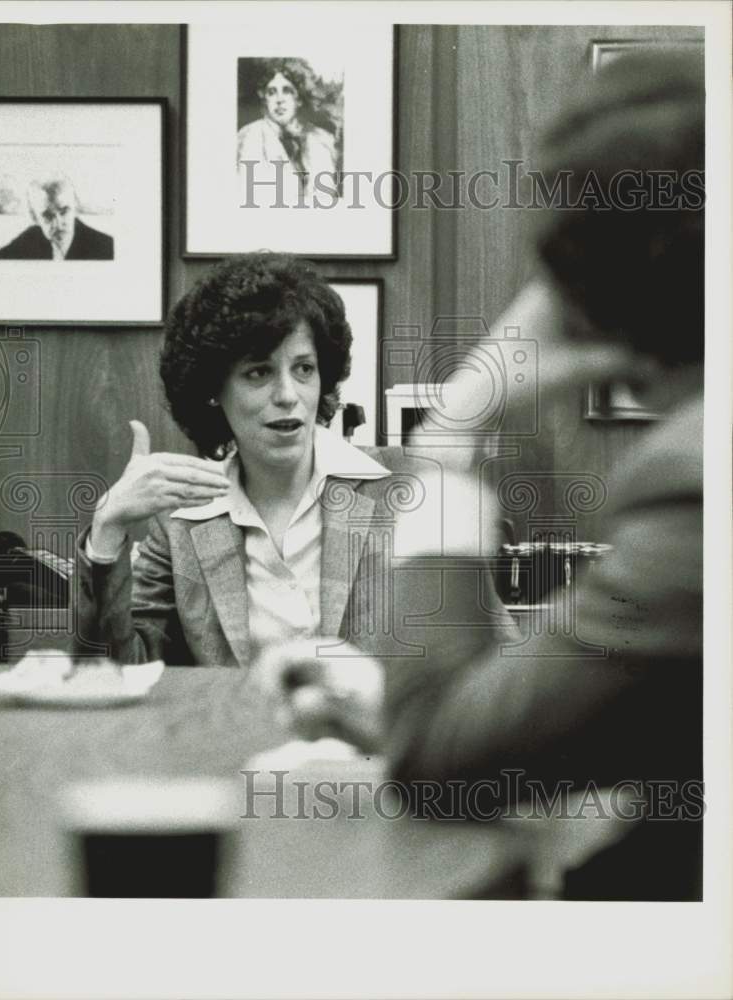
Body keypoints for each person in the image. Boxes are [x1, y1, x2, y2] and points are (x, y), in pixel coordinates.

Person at [256, 51, 705, 900]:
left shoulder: (693, 487)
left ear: (577, 297)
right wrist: (445, 712)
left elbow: (440, 762)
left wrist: (453, 428)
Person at [75, 252, 420, 667]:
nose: (288, 394)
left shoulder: (406, 485)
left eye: (304, 369)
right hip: (230, 731)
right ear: (214, 392)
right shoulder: (181, 522)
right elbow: (115, 670)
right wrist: (107, 528)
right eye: (259, 372)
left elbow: (483, 659)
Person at [237, 58, 339, 206]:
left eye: (287, 91)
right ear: (264, 99)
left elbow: (328, 197)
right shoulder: (248, 136)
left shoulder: (322, 139)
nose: (279, 100)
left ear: (299, 99)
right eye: (271, 92)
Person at [0, 175, 114, 260]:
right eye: (48, 215)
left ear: (76, 208)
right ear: (34, 217)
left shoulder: (106, 247)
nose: (58, 224)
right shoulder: (27, 240)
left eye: (64, 212)